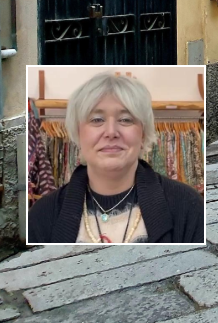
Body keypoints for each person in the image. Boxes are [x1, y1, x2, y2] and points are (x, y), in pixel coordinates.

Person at [28, 73, 204, 243]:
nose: (111, 132)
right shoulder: (42, 216)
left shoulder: (187, 207)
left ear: (142, 134)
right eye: (97, 120)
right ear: (78, 133)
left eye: (126, 120)